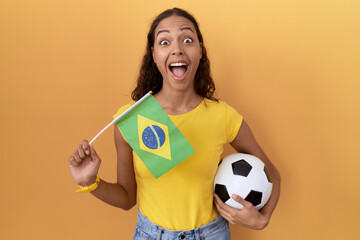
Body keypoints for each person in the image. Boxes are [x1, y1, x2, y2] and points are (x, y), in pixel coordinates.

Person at [68, 8, 281, 240]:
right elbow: (127, 198)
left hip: (211, 234)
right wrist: (91, 182)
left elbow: (274, 175)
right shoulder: (131, 118)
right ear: (154, 54)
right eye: (165, 41)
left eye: (187, 40)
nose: (177, 49)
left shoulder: (224, 116)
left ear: (200, 50)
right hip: (150, 235)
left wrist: (262, 219)